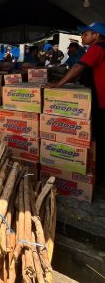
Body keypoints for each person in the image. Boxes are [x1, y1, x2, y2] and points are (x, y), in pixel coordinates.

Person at [49, 23, 105, 179]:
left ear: (96, 35)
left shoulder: (97, 47)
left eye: (85, 34)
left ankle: (98, 174)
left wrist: (59, 84)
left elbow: (78, 67)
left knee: (100, 136)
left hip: (102, 100)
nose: (82, 37)